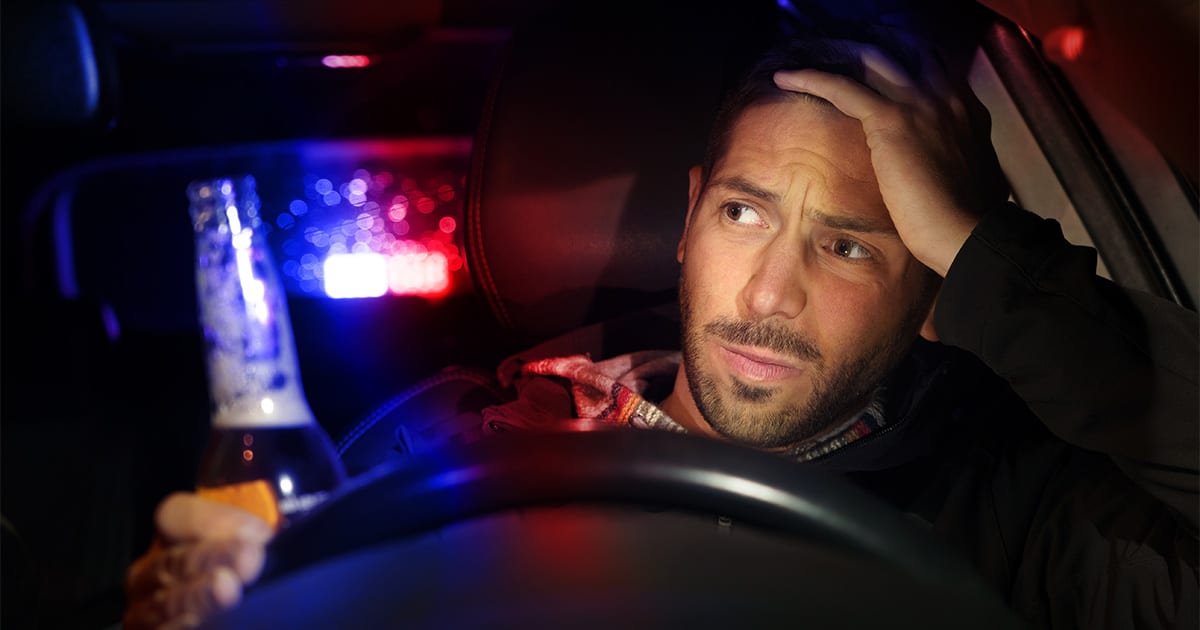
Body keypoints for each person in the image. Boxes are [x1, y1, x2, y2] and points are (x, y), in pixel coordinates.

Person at [123, 27, 1199, 630]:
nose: (771, 295)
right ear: (688, 220)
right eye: (745, 212)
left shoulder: (1023, 515)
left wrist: (985, 260)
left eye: (852, 245)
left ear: (932, 287)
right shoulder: (447, 453)